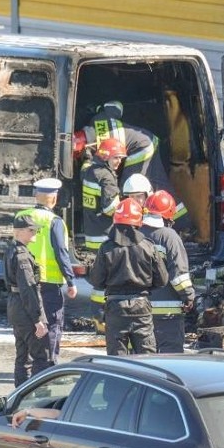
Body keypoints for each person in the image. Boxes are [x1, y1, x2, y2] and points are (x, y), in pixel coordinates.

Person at [88, 198, 168, 355]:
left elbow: (96, 280)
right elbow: (162, 280)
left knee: (117, 360)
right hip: (141, 307)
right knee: (147, 360)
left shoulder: (106, 247)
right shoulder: (148, 246)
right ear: (138, 221)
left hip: (115, 308)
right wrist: (144, 287)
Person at [15, 178, 77, 368]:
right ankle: (48, 370)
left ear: (36, 195)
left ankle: (27, 374)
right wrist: (71, 280)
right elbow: (61, 252)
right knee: (50, 330)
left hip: (24, 284)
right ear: (54, 198)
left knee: (28, 330)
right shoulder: (55, 221)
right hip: (49, 284)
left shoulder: (21, 215)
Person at [80, 138, 127, 331]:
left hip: (92, 233)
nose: (119, 162)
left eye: (121, 158)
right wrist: (128, 206)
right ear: (106, 156)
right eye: (116, 158)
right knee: (107, 281)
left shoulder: (89, 171)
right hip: (105, 236)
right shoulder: (107, 178)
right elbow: (110, 209)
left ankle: (98, 319)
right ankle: (102, 320)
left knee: (98, 278)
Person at [143, 190, 195, 353]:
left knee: (143, 359)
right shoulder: (169, 237)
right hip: (168, 313)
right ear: (169, 214)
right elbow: (179, 275)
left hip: (140, 311)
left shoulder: (136, 234)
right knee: (169, 359)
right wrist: (188, 296)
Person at [4, 213, 49, 387]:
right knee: (40, 356)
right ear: (19, 232)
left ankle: (19, 395)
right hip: (25, 308)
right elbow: (28, 289)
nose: (34, 233)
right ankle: (36, 396)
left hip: (15, 306)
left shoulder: (11, 250)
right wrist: (38, 319)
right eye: (31, 230)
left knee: (22, 355)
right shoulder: (22, 256)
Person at [86, 100, 159, 187]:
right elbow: (117, 106)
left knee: (129, 185)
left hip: (142, 147)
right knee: (158, 179)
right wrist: (99, 108)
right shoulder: (98, 118)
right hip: (148, 136)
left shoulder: (101, 150)